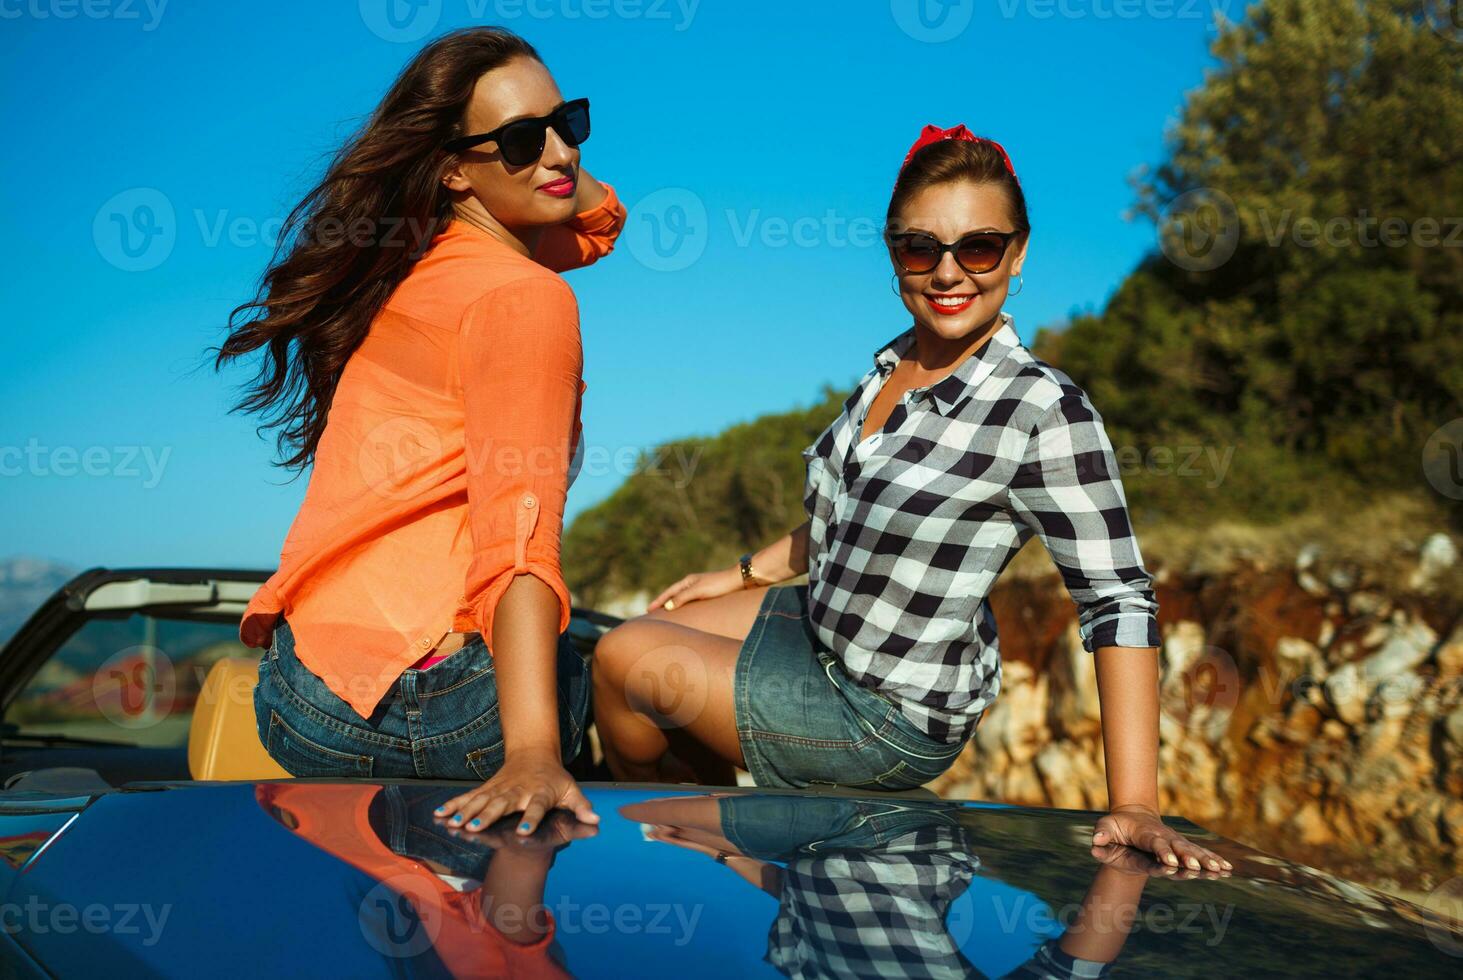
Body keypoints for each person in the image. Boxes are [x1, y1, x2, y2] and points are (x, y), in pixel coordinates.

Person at [592, 124, 1231, 873]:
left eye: (979, 247)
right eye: (920, 248)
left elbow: (1116, 598)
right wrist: (738, 574)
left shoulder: (1039, 409)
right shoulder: (891, 366)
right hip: (826, 633)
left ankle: (679, 854)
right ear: (894, 252)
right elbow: (839, 514)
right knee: (663, 620)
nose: (947, 271)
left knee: (620, 657)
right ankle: (721, 839)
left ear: (1017, 253)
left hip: (887, 708)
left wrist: (1134, 806)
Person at [215, 26, 624, 836]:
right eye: (517, 139)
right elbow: (518, 536)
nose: (559, 155)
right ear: (451, 170)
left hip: (305, 703)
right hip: (456, 714)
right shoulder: (526, 297)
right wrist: (534, 750)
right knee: (614, 667)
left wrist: (531, 156)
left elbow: (599, 217)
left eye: (567, 122)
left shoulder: (403, 267)